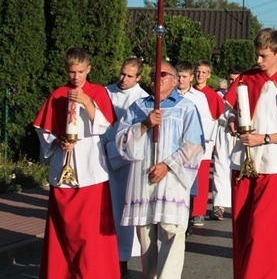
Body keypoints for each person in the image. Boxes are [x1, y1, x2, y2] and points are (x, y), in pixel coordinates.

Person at [223, 28, 277, 279]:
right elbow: (230, 111)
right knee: (241, 228)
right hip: (242, 162)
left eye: (263, 56)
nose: (258, 61)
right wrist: (230, 120)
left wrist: (264, 138)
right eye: (257, 55)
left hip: (271, 166)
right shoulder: (246, 78)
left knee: (263, 232)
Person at [33, 47, 119, 278]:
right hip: (64, 168)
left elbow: (107, 126)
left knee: (90, 234)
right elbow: (45, 131)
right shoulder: (58, 94)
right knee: (63, 230)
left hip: (91, 169)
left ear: (88, 69)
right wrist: (58, 142)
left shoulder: (98, 92)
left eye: (80, 71)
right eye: (72, 72)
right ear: (66, 71)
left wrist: (88, 103)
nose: (76, 77)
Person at [116, 61, 205, 279]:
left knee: (172, 233)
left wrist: (167, 165)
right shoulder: (138, 107)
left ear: (175, 81)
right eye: (155, 74)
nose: (158, 78)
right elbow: (120, 142)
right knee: (146, 237)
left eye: (164, 74)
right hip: (143, 181)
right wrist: (144, 125)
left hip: (172, 182)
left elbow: (194, 146)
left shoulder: (186, 107)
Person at [104, 57, 149, 276]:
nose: (123, 79)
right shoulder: (106, 92)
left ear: (139, 77)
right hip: (101, 157)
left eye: (130, 76)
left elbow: (139, 134)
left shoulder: (143, 99)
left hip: (126, 161)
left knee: (123, 208)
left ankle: (122, 257)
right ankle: (103, 253)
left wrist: (116, 151)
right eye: (122, 74)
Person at [174, 61, 216, 230]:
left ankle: (189, 218)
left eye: (184, 77)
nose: (181, 80)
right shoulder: (170, 93)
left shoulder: (199, 97)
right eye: (178, 76)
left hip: (191, 148)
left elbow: (205, 122)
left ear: (190, 77)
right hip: (173, 146)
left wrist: (197, 145)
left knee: (189, 182)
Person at [193, 60, 227, 221]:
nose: (200, 75)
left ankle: (198, 211)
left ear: (209, 75)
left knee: (201, 176)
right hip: (186, 143)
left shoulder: (213, 96)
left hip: (205, 142)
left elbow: (221, 119)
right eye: (198, 71)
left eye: (203, 72)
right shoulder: (185, 92)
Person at [211, 65, 243, 221]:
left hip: (239, 135)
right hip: (223, 133)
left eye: (236, 79)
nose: (233, 82)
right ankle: (219, 205)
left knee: (238, 171)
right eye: (231, 79)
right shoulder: (220, 95)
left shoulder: (246, 95)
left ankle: (238, 203)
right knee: (220, 167)